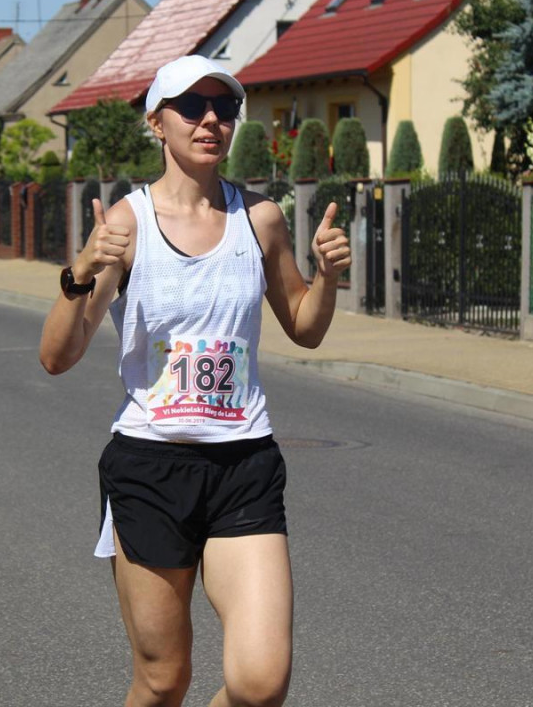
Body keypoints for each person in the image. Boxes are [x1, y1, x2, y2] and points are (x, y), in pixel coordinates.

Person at [39, 55, 351, 707]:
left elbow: (305, 326)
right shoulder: (126, 224)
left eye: (225, 107)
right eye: (191, 106)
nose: (211, 119)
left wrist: (326, 278)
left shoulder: (259, 219)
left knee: (260, 683)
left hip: (244, 463)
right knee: (162, 681)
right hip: (151, 466)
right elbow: (57, 357)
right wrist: (80, 272)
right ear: (157, 122)